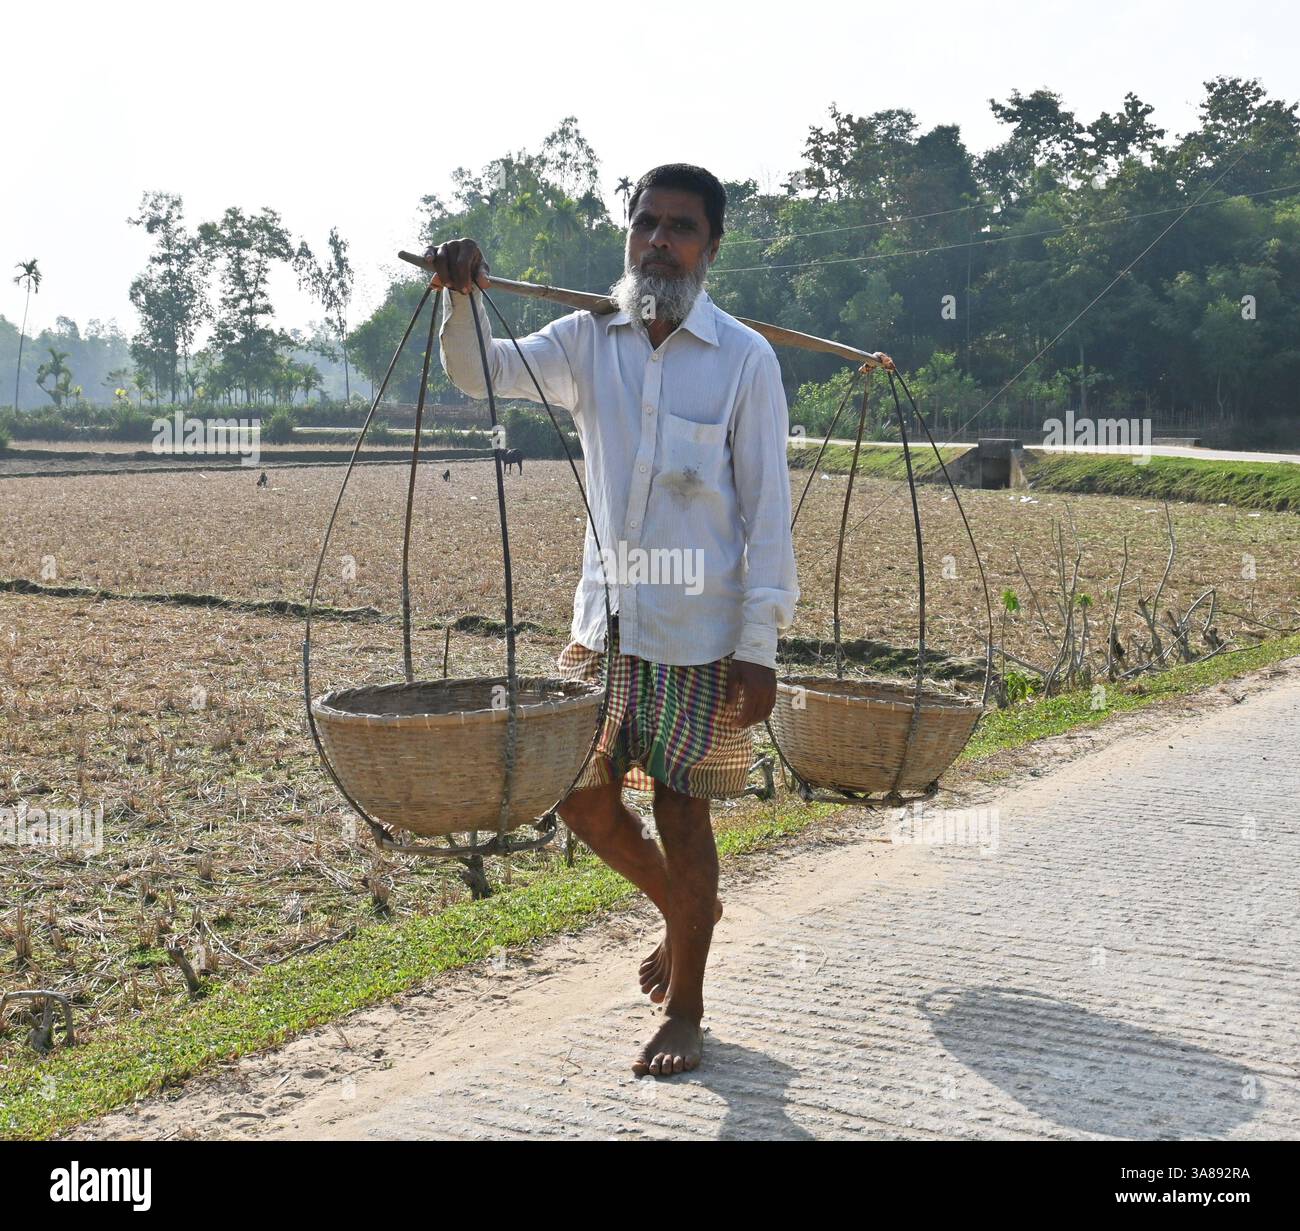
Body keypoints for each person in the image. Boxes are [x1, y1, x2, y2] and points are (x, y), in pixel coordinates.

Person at [429, 163, 797, 1077]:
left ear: (710, 246)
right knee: (580, 797)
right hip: (607, 626)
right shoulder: (589, 338)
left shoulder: (745, 359)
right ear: (627, 234)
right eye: (645, 224)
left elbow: (766, 514)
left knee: (683, 811)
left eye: (679, 227)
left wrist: (760, 647)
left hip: (702, 634)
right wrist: (462, 292)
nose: (658, 241)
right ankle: (687, 913)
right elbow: (482, 373)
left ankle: (689, 1007)